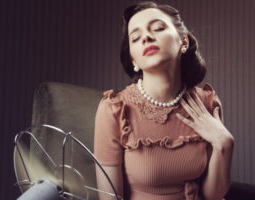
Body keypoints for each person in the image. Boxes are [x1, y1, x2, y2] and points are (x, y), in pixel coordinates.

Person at [94, 1, 234, 200]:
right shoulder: (114, 109)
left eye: (158, 28)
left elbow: (213, 195)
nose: (147, 37)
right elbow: (109, 198)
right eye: (136, 37)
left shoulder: (207, 102)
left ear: (183, 43)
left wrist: (224, 144)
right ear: (134, 60)